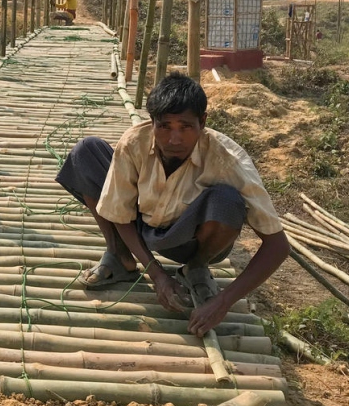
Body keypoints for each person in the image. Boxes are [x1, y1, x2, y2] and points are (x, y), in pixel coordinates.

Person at [55, 73, 289, 337]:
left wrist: (224, 301)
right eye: (164, 126)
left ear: (203, 122)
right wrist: (157, 276)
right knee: (86, 152)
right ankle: (120, 255)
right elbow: (119, 212)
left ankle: (196, 267)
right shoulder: (134, 142)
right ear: (152, 122)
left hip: (188, 239)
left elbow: (278, 246)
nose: (174, 139)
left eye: (185, 127)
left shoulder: (228, 160)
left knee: (227, 200)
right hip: (140, 224)